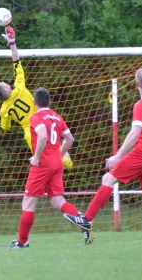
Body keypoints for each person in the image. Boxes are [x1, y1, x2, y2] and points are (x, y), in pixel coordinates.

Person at [64, 68, 142, 244]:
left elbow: (134, 133)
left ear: (136, 84)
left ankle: (87, 219)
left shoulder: (141, 105)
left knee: (108, 179)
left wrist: (118, 156)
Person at [11, 87, 90, 248]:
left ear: (34, 102)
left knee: (28, 202)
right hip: (56, 163)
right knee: (57, 200)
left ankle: (22, 242)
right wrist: (59, 155)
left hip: (42, 164)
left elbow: (43, 136)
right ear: (50, 101)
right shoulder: (57, 117)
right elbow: (69, 139)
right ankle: (83, 222)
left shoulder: (35, 117)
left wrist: (37, 157)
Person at [0, 25, 72, 170]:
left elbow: (5, 127)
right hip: (45, 122)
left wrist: (7, 117)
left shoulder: (4, 110)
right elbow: (16, 63)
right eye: (4, 83)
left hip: (30, 133)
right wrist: (12, 44)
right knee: (64, 161)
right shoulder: (19, 87)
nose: (6, 82)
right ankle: (62, 163)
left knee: (43, 162)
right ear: (5, 88)